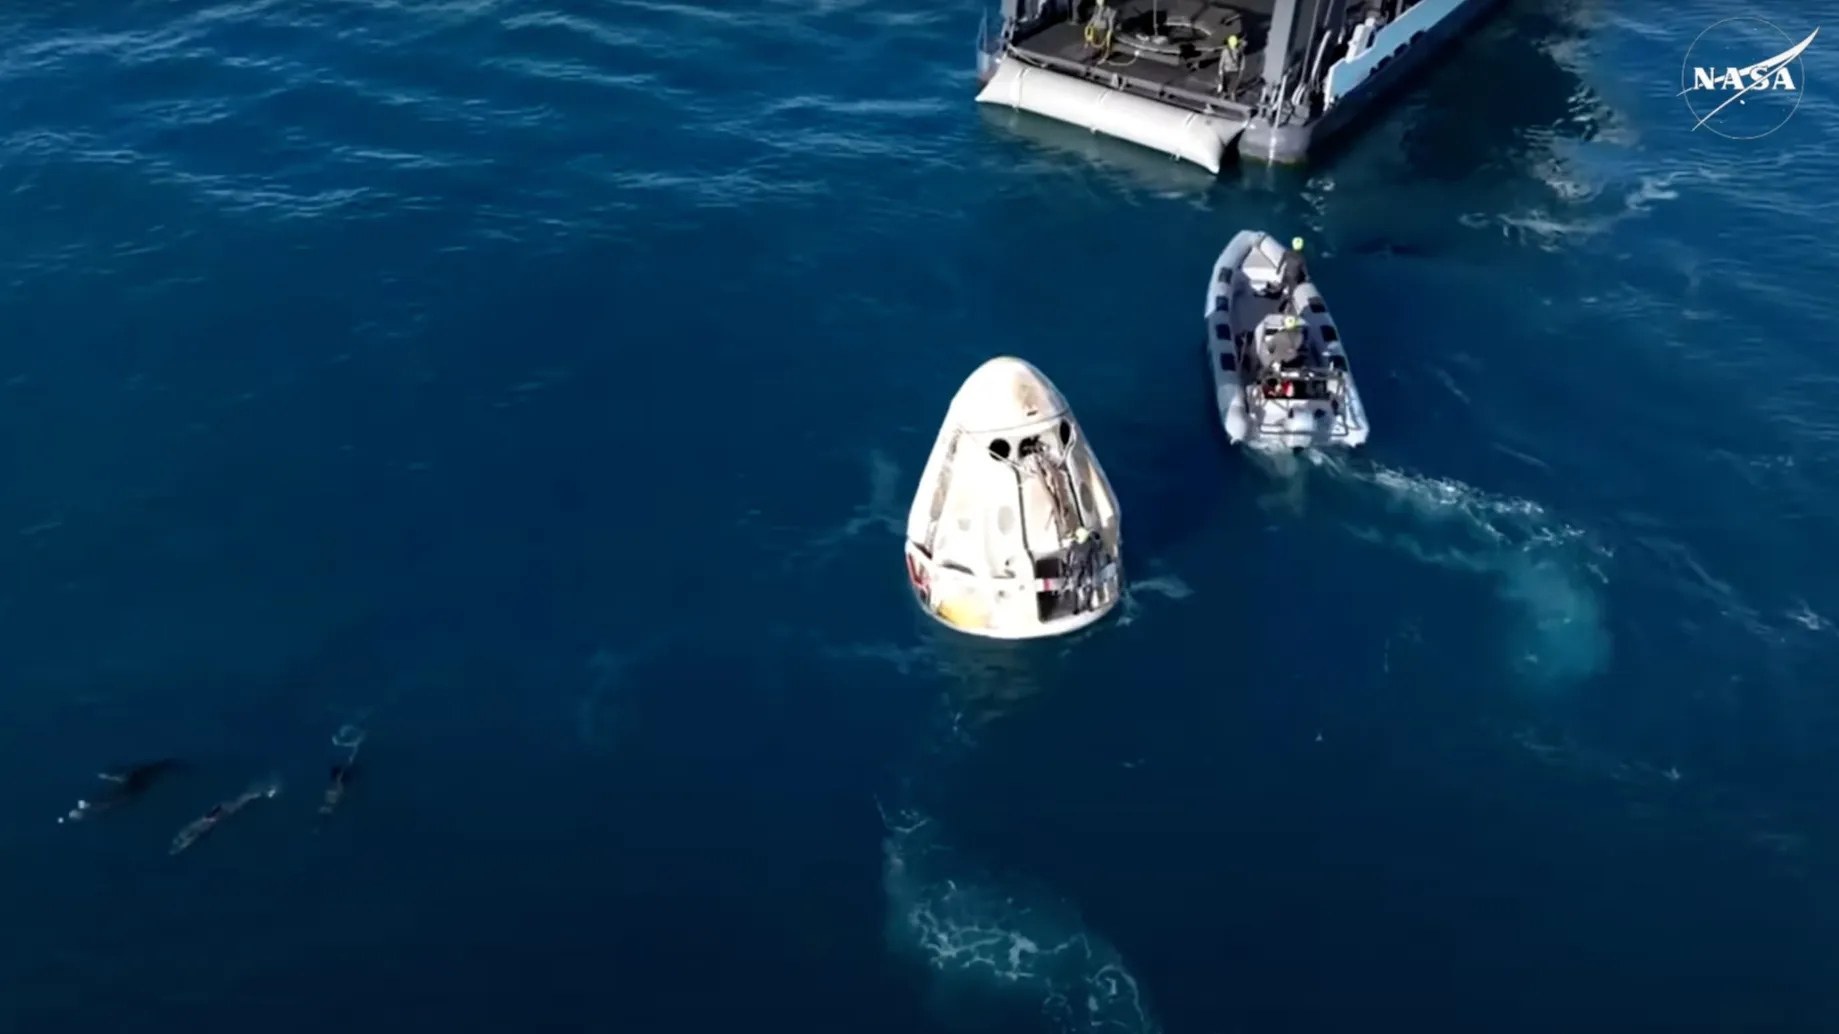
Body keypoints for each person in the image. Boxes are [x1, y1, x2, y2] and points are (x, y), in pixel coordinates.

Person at [59, 759, 182, 824]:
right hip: (131, 790)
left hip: (131, 790)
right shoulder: (95, 807)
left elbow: (114, 802)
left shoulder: (95, 808)